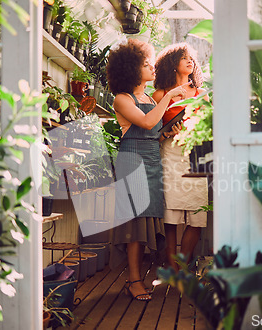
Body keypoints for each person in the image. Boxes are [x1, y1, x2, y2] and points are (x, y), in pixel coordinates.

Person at [106, 38, 187, 301]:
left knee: (148, 218)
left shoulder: (148, 98)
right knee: (135, 224)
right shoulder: (122, 99)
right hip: (132, 160)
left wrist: (168, 132)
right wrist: (172, 95)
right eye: (145, 64)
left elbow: (153, 131)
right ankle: (133, 280)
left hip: (152, 158)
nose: (152, 67)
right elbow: (146, 120)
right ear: (131, 69)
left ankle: (139, 276)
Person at [152, 43, 209, 271]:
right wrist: (165, 132)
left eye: (191, 58)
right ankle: (171, 266)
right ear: (171, 64)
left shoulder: (201, 94)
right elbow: (150, 130)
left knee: (197, 212)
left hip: (195, 155)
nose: (190, 61)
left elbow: (209, 125)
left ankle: (183, 265)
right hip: (170, 154)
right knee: (171, 214)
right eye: (184, 57)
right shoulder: (159, 95)